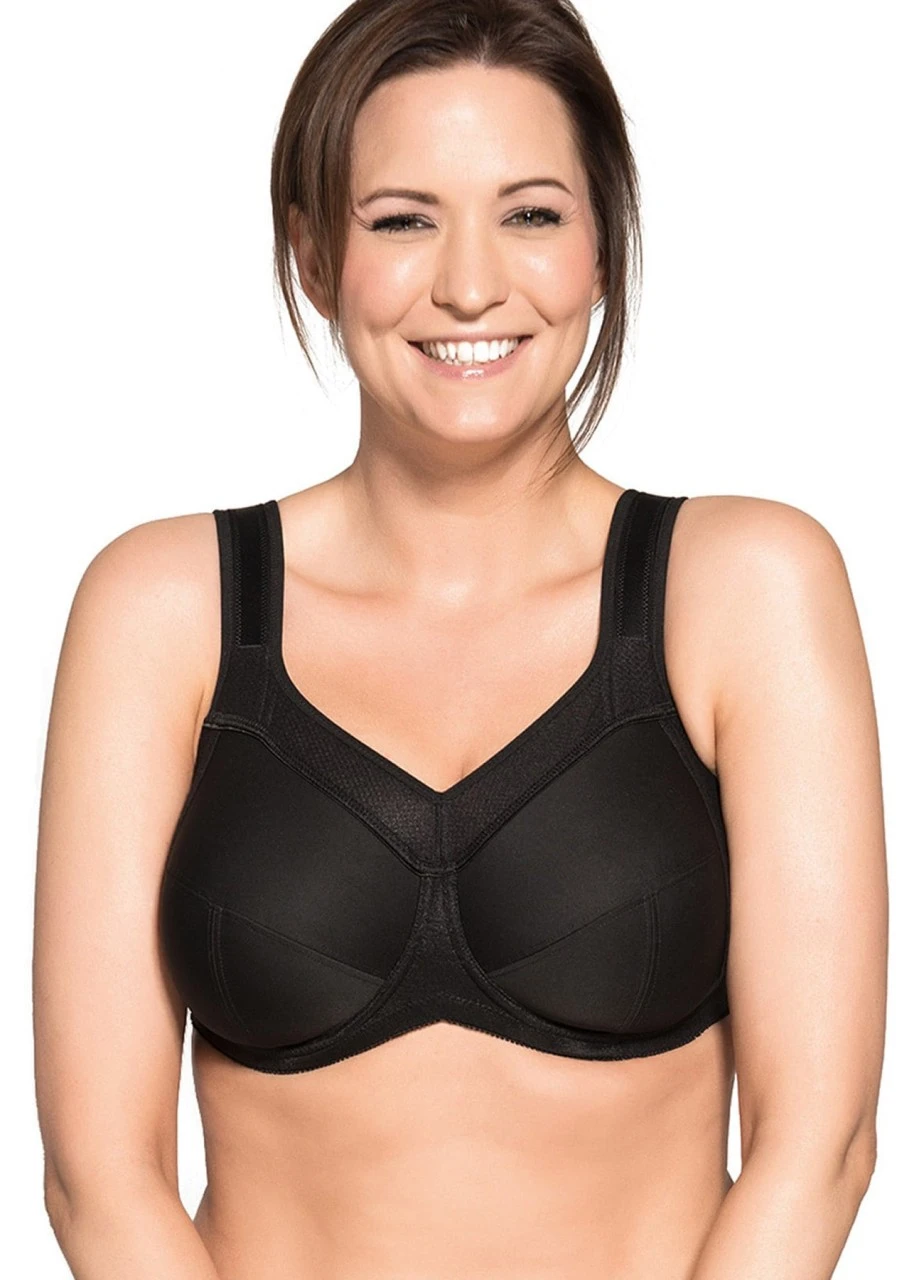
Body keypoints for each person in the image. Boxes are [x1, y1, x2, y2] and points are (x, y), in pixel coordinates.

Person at [33, 1, 887, 1277]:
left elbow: (819, 1146)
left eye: (531, 214)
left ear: (603, 247)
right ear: (313, 253)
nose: (472, 284)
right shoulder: (162, 608)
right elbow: (98, 1177)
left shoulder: (747, 587)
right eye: (402, 220)